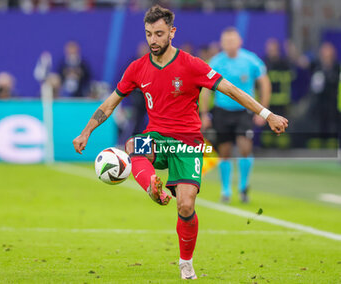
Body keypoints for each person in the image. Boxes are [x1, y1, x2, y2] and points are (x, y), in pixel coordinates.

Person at [73, 6, 287, 280]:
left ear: (172, 33)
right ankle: (153, 187)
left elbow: (232, 90)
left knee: (186, 206)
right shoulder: (137, 68)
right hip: (158, 137)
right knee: (132, 146)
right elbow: (111, 102)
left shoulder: (191, 65)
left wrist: (267, 115)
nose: (153, 40)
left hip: (187, 143)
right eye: (149, 34)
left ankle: (186, 262)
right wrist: (86, 131)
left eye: (159, 34)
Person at [201, 27, 271, 203]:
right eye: (226, 41)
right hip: (222, 112)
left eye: (233, 41)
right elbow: (205, 89)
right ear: (222, 43)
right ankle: (225, 190)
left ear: (239, 42)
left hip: (244, 112)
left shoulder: (251, 61)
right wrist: (204, 114)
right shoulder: (215, 62)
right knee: (224, 151)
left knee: (244, 147)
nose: (230, 44)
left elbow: (265, 83)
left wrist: (263, 110)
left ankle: (243, 187)